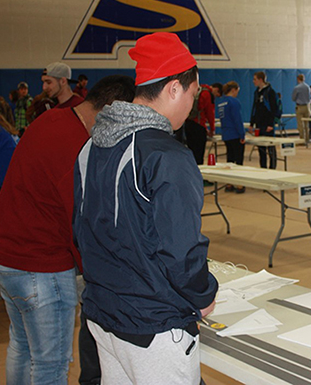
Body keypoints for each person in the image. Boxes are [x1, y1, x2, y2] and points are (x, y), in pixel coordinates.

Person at [72, 32, 218, 385]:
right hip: (153, 327)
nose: (192, 105)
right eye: (193, 94)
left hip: (103, 316)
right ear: (173, 88)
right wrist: (205, 294)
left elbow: (82, 230)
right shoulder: (168, 156)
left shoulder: (92, 146)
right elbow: (181, 252)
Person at [0, 75, 136, 385]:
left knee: (22, 346)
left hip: (0, 252)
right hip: (37, 265)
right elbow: (82, 227)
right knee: (51, 365)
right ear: (111, 109)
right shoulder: (78, 149)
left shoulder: (53, 117)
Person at [217, 81, 246, 193]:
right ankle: (239, 184)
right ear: (233, 90)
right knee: (238, 160)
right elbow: (237, 119)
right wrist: (242, 134)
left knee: (230, 159)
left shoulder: (221, 102)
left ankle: (229, 184)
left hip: (226, 133)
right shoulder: (234, 102)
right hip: (235, 133)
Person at [250, 71, 278, 169]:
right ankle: (263, 168)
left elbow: (274, 109)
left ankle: (273, 168)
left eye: (255, 79)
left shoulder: (270, 92)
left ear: (261, 80)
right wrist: (251, 123)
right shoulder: (256, 92)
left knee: (270, 147)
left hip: (268, 125)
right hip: (259, 124)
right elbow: (254, 108)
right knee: (261, 148)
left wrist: (271, 124)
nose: (253, 81)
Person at [185, 83, 215, 164]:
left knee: (191, 151)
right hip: (199, 125)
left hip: (188, 123)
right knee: (199, 154)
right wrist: (212, 129)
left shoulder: (195, 91)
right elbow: (209, 113)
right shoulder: (206, 94)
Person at [292, 74, 311, 140]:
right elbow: (309, 98)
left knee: (300, 124)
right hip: (307, 106)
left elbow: (293, 98)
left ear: (298, 79)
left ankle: (302, 139)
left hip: (299, 106)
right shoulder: (308, 87)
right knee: (307, 124)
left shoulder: (297, 88)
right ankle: (307, 138)